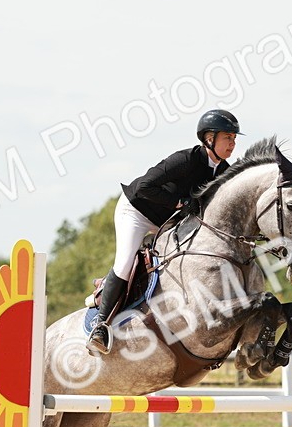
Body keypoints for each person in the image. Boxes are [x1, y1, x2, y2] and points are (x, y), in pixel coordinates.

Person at [86, 109, 242, 355]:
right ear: (209, 138)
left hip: (167, 222)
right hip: (136, 211)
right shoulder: (185, 160)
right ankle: (100, 325)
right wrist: (179, 203)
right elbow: (145, 187)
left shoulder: (223, 172)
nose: (232, 144)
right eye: (227, 138)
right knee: (125, 262)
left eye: (234, 139)